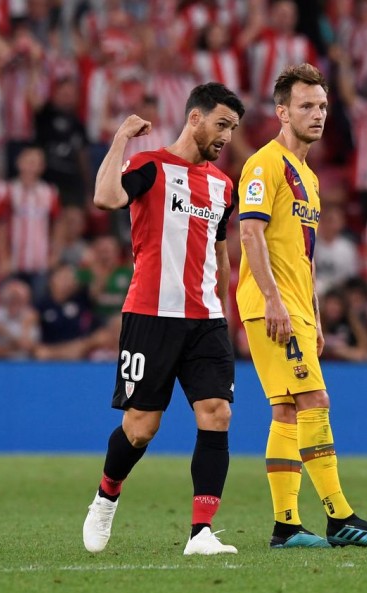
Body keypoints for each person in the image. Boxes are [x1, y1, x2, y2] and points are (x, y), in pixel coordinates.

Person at [237, 64, 367, 549]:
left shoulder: (309, 175)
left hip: (297, 307)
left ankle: (286, 527)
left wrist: (316, 315)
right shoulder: (265, 162)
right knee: (315, 402)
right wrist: (272, 300)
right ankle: (339, 517)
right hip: (271, 306)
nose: (318, 114)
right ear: (282, 111)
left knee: (287, 412)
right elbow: (249, 232)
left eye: (323, 106)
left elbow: (302, 255)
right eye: (306, 105)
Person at [82, 82, 245, 556]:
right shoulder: (149, 165)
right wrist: (120, 140)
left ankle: (201, 533)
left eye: (233, 129)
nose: (226, 137)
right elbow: (106, 197)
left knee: (217, 414)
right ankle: (105, 498)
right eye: (221, 124)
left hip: (206, 320)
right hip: (151, 316)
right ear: (194, 118)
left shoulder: (222, 185)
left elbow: (219, 251)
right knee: (141, 428)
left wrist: (226, 310)